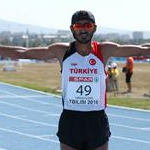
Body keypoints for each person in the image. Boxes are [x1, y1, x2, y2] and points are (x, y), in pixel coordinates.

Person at [0, 10, 150, 150]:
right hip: (71, 119)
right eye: (79, 25)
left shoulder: (105, 50)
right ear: (72, 28)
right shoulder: (62, 51)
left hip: (96, 119)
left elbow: (141, 50)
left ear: (94, 28)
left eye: (88, 25)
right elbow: (24, 53)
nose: (83, 29)